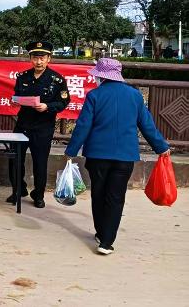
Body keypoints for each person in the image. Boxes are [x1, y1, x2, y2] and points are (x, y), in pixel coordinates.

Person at [64, 58, 169, 255]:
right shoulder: (135, 95)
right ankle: (106, 242)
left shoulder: (94, 95)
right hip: (125, 156)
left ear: (101, 76)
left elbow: (83, 125)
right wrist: (161, 147)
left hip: (97, 155)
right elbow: (146, 124)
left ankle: (100, 232)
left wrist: (71, 150)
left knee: (98, 193)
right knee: (116, 197)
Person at [7, 41, 70, 208]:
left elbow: (64, 102)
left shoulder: (57, 80)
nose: (39, 61)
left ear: (49, 58)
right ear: (30, 59)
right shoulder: (23, 77)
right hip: (23, 125)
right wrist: (15, 101)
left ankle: (39, 195)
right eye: (35, 58)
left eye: (42, 58)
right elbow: (17, 95)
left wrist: (47, 106)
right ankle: (18, 190)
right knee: (15, 159)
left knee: (40, 162)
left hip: (43, 127)